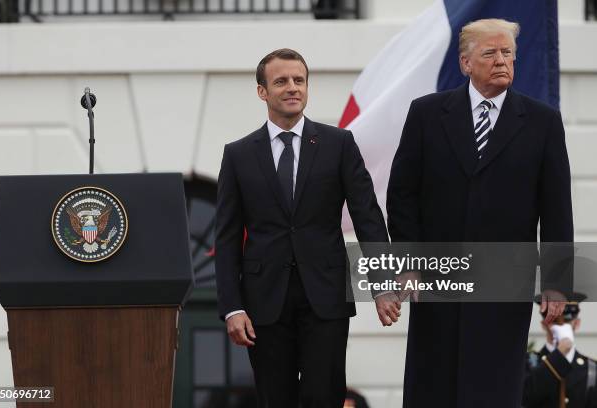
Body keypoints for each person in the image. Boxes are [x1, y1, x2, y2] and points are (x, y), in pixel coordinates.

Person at [384, 18, 573, 407]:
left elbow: (556, 206)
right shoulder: (427, 113)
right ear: (466, 62)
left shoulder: (542, 121)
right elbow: (402, 195)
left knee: (493, 389)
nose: (502, 60)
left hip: (505, 286)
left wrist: (556, 281)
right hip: (438, 281)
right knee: (433, 387)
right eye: (490, 53)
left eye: (508, 53)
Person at [215, 48, 389, 408]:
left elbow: (367, 215)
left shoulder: (338, 144)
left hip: (325, 297)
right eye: (281, 81)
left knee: (323, 398)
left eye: (299, 80)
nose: (292, 87)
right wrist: (232, 307)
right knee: (275, 399)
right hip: (264, 302)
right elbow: (228, 237)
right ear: (263, 91)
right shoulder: (238, 154)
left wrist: (383, 284)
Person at [523, 293, 597, 408]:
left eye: (567, 322)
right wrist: (559, 355)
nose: (561, 325)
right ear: (544, 325)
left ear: (577, 324)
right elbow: (524, 398)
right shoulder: (528, 363)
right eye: (555, 321)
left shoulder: (592, 369)